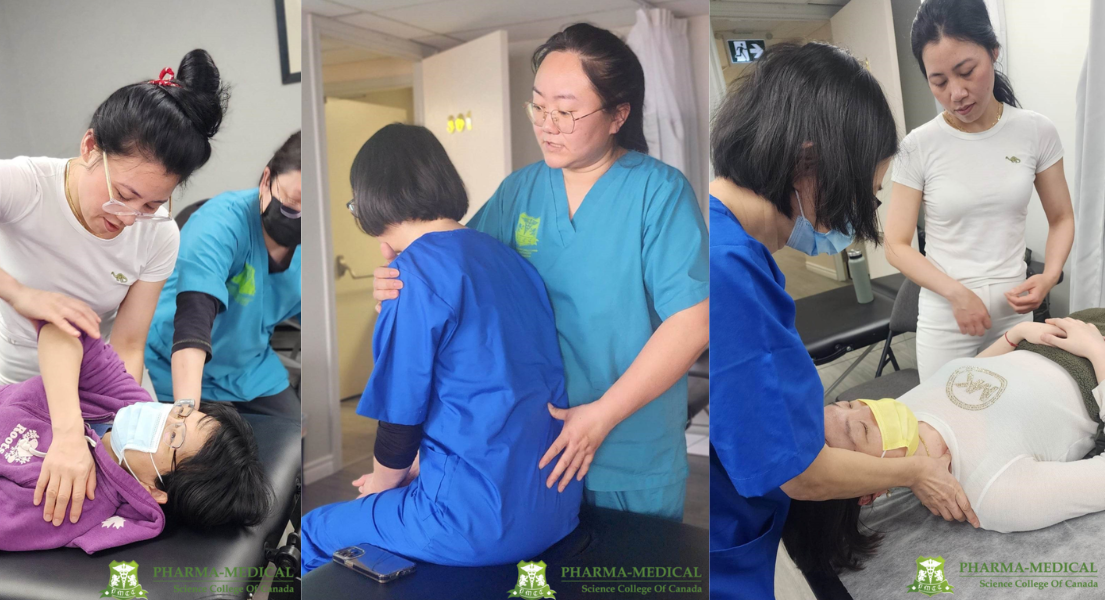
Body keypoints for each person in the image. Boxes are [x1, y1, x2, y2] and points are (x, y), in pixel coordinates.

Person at [373, 22, 709, 522]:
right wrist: (397, 284)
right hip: (526, 452)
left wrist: (602, 416)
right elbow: (458, 276)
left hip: (627, 452)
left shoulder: (659, 193)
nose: (547, 124)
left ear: (619, 114)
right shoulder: (520, 192)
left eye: (567, 111)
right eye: (538, 106)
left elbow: (692, 321)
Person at [0, 49, 229, 528]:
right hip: (25, 378)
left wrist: (116, 424)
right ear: (90, 146)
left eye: (153, 203)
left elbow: (129, 342)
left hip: (106, 379)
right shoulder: (27, 184)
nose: (130, 216)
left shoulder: (159, 232)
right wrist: (19, 293)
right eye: (123, 194)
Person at [708, 41, 977, 600]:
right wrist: (914, 472)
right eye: (868, 191)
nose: (863, 212)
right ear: (810, 163)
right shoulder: (726, 269)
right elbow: (798, 471)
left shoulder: (732, 250)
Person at [301, 124, 581, 571]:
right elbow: (492, 395)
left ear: (373, 199)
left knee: (315, 528)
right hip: (552, 507)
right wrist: (415, 470)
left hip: (471, 523)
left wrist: (383, 482)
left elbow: (399, 422)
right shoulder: (509, 260)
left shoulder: (411, 277)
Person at [0, 323, 271, 553]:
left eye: (173, 437)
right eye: (182, 412)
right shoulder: (125, 402)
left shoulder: (68, 500)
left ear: (156, 489)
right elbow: (64, 326)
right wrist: (68, 432)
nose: (161, 415)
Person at [783, 316, 1105, 576]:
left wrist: (1014, 336)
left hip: (1057, 334)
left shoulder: (904, 415)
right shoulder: (993, 493)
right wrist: (1096, 351)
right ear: (871, 489)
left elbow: (970, 379)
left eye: (851, 404)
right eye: (862, 429)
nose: (875, 408)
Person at [885, 0, 1073, 379]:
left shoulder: (1036, 132)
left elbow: (1062, 217)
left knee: (1012, 416)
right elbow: (895, 244)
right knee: (944, 421)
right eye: (939, 81)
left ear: (993, 52)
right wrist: (957, 294)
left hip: (1014, 313)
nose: (956, 93)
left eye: (967, 71)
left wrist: (1050, 275)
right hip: (946, 316)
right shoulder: (918, 146)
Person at [144, 131, 302, 419]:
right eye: (293, 203)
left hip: (247, 369)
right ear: (266, 181)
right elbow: (193, 321)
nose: (301, 217)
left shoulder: (311, 249)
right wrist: (186, 416)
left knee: (292, 433)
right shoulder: (220, 223)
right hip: (172, 366)